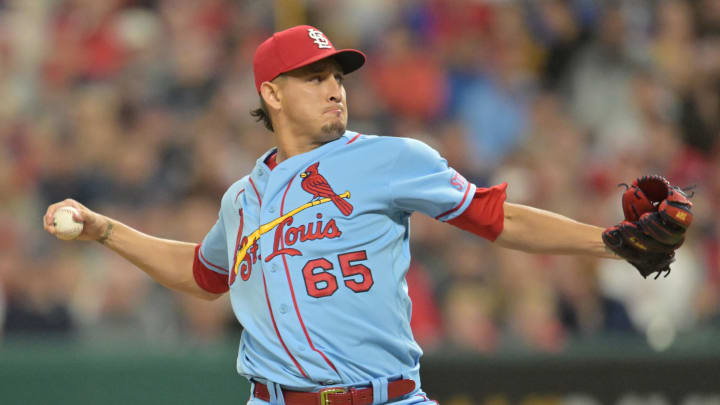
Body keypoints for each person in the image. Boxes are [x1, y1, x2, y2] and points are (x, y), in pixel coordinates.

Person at [44, 25, 620, 405]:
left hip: (387, 397)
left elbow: (499, 218)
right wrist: (106, 230)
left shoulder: (389, 158)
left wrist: (612, 242)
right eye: (314, 78)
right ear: (272, 94)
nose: (335, 90)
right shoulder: (242, 198)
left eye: (338, 78)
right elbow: (203, 275)